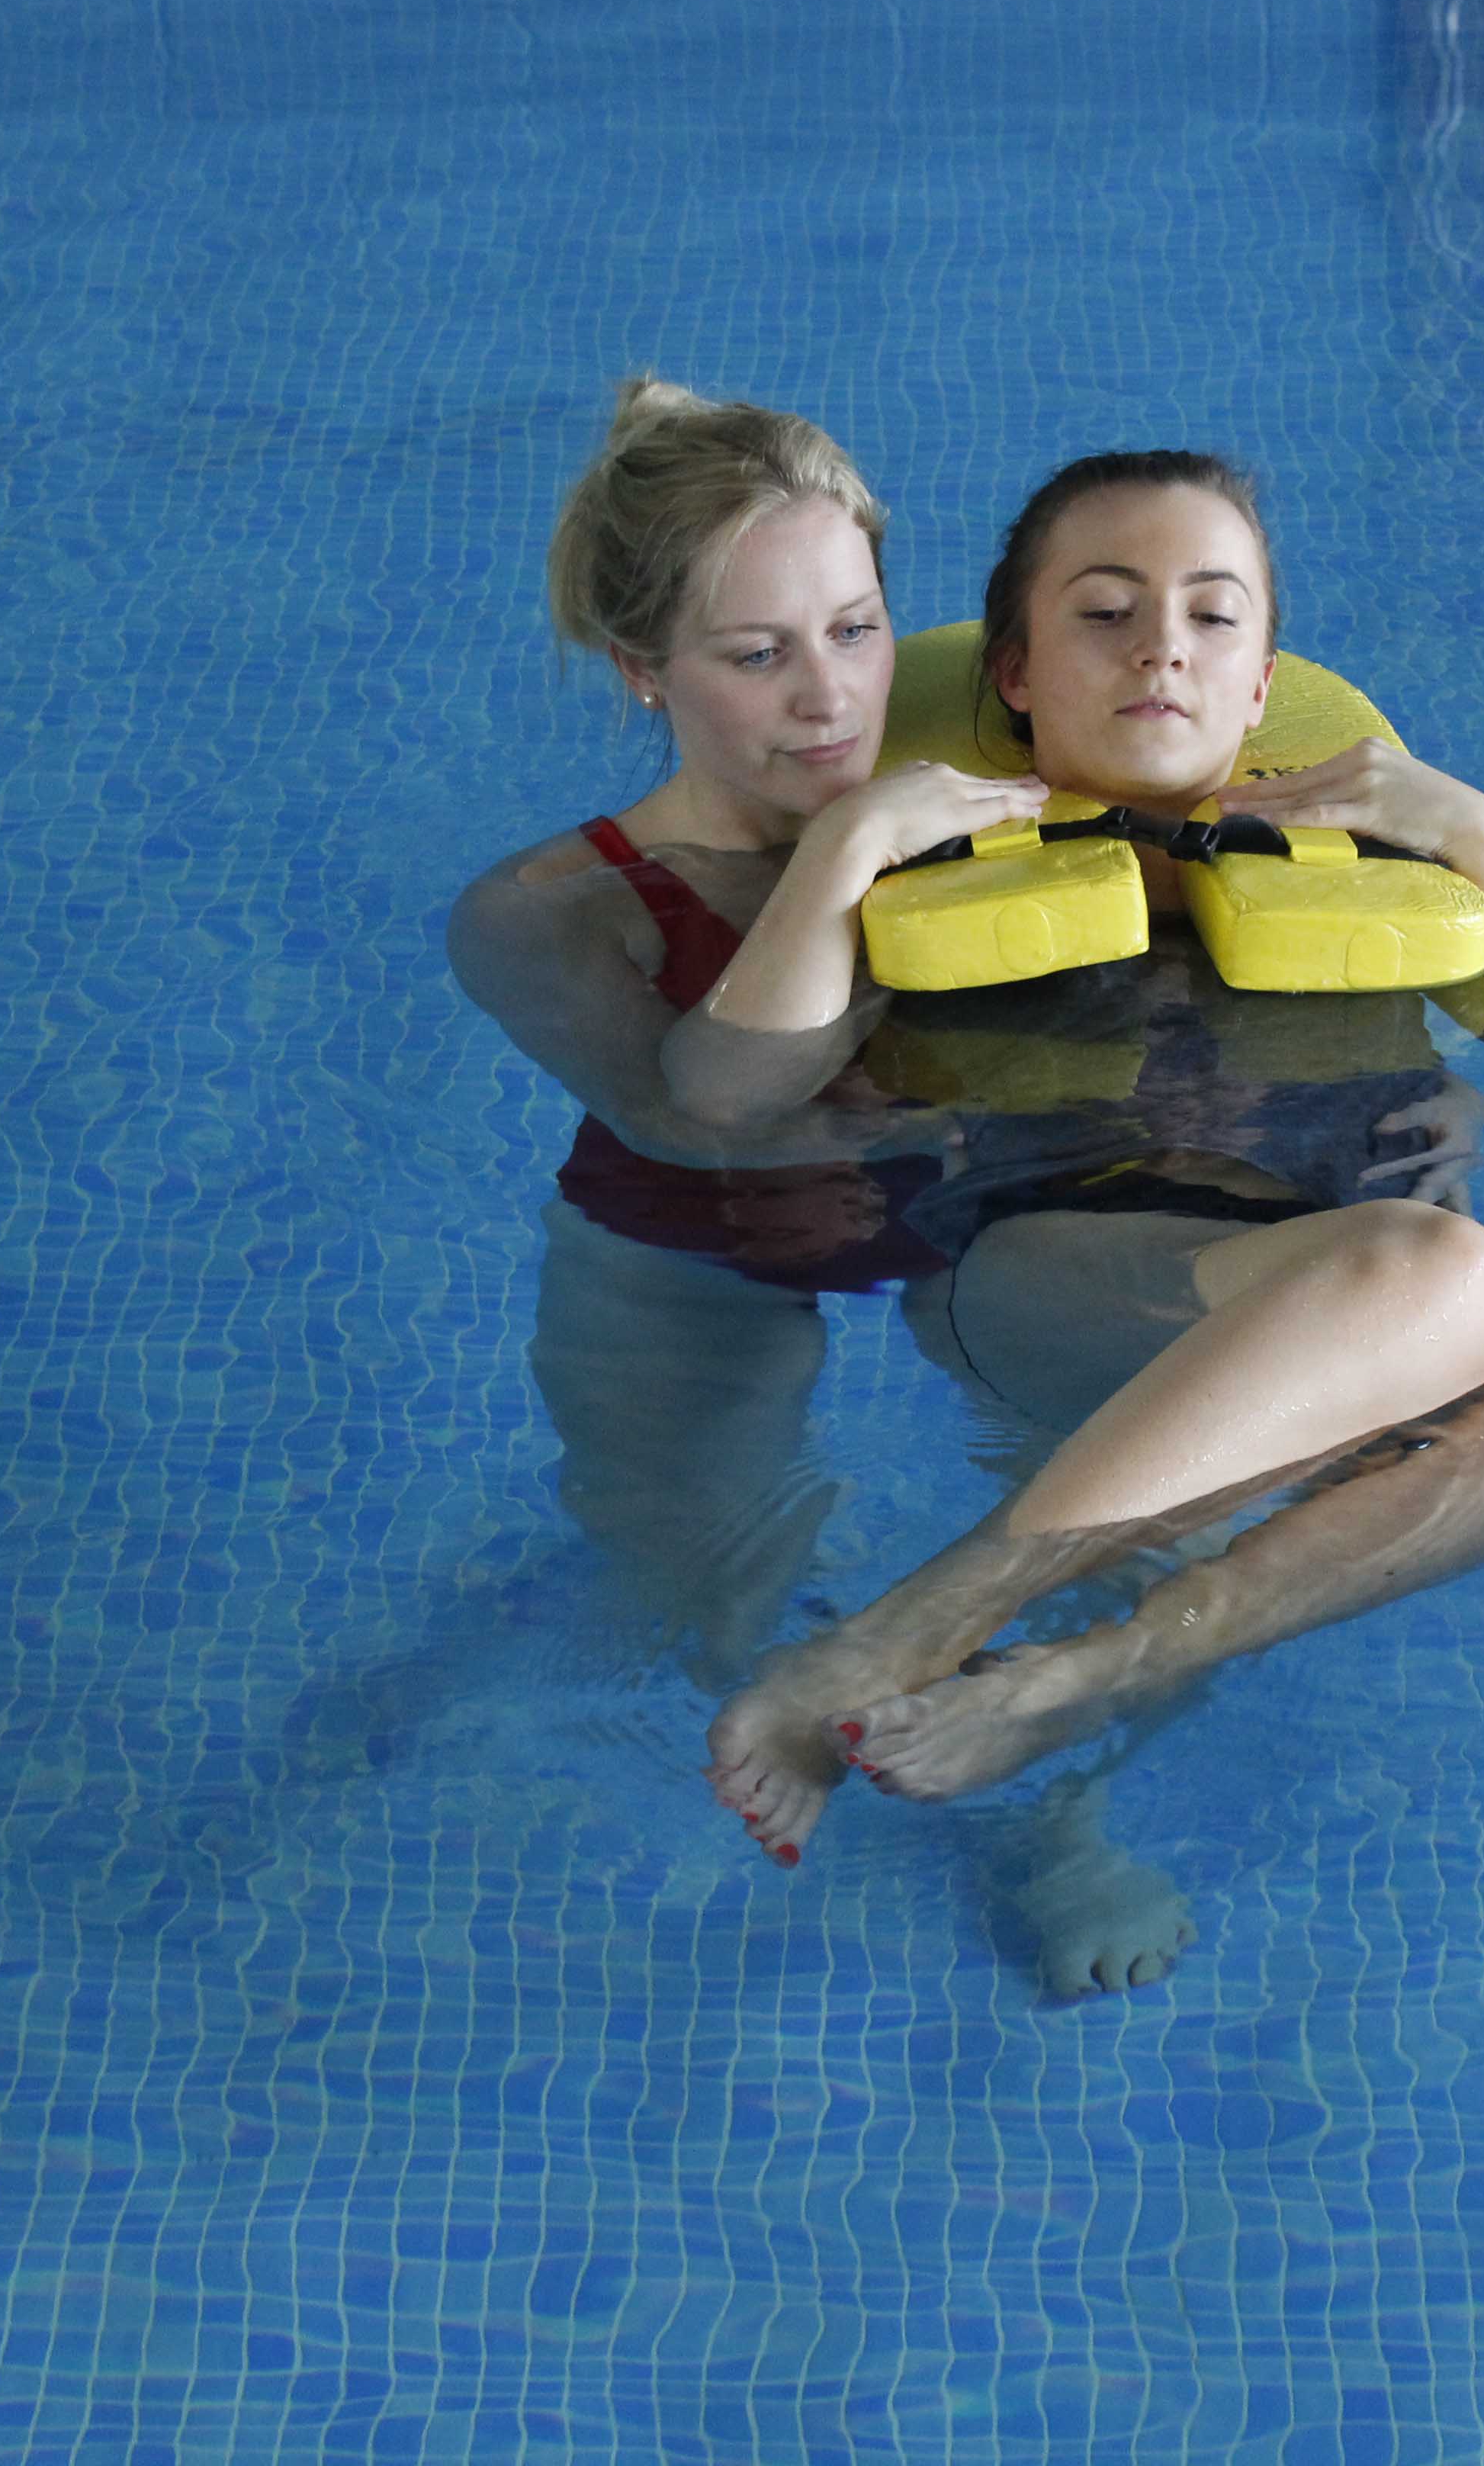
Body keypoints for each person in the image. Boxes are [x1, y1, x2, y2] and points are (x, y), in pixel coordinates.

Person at [686, 452, 1484, 1867]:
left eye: (1212, 615)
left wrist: (1483, 839)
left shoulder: (1367, 849)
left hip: (1343, 1306)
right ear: (1014, 674)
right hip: (1054, 1272)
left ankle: (1094, 1678)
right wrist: (841, 854)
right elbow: (715, 1099)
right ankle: (912, 1633)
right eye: (1106, 614)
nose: (1162, 647)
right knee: (1444, 1270)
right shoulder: (930, 860)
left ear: (1261, 686)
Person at [449, 381, 1204, 1994]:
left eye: (856, 630)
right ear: (638, 672)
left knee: (1158, 1533)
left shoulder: (1010, 796)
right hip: (689, 1257)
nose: (829, 699)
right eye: (755, 655)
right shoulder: (544, 914)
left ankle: (1056, 1822)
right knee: (709, 1602)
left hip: (978, 1227)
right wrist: (852, 858)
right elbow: (705, 1126)